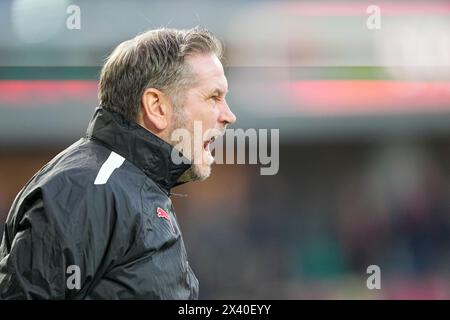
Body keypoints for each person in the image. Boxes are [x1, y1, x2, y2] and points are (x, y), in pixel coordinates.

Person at [0, 27, 236, 299]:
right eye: (214, 97)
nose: (228, 115)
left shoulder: (131, 184)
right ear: (157, 107)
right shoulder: (88, 189)